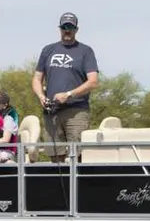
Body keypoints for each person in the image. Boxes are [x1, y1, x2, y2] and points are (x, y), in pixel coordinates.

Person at [31, 12, 99, 162]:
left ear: (76, 29)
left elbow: (93, 81)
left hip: (76, 110)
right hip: (51, 111)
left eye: (71, 27)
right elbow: (36, 79)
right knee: (55, 156)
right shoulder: (48, 50)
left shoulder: (85, 51)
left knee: (78, 154)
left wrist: (68, 94)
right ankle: (58, 185)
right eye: (64, 27)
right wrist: (41, 96)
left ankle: (79, 185)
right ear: (59, 28)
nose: (67, 30)